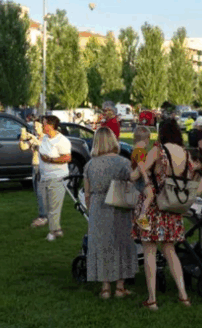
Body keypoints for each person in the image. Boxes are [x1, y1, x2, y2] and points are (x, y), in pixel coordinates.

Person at [131, 119, 193, 310]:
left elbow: (134, 176)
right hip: (172, 207)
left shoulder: (158, 150)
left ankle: (152, 299)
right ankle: (183, 296)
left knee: (149, 250)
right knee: (170, 250)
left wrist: (138, 169)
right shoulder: (186, 153)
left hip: (154, 207)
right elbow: (188, 178)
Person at [82, 127, 138, 299]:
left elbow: (87, 193)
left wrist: (91, 209)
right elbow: (133, 181)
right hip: (120, 205)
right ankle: (120, 287)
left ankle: (105, 288)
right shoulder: (123, 162)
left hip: (99, 206)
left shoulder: (89, 165)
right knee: (121, 244)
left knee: (102, 246)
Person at [39, 115, 72, 241]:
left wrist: (51, 159)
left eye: (44, 124)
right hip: (45, 176)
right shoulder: (45, 138)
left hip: (57, 176)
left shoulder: (62, 141)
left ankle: (52, 232)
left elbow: (67, 157)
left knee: (54, 205)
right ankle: (57, 229)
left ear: (51, 126)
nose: (42, 126)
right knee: (47, 205)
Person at [20, 118, 48, 227]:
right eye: (34, 126)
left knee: (41, 192)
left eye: (37, 126)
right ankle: (43, 214)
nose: (35, 128)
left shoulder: (46, 138)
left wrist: (33, 138)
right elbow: (24, 147)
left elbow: (43, 148)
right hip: (35, 166)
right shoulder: (35, 138)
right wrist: (22, 139)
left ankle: (43, 216)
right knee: (37, 192)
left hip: (42, 166)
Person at [132, 126, 153, 231]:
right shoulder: (140, 151)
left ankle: (142, 216)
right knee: (150, 195)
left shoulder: (136, 150)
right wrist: (146, 178)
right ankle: (142, 216)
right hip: (140, 179)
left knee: (147, 196)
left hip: (139, 178)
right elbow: (141, 166)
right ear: (146, 139)